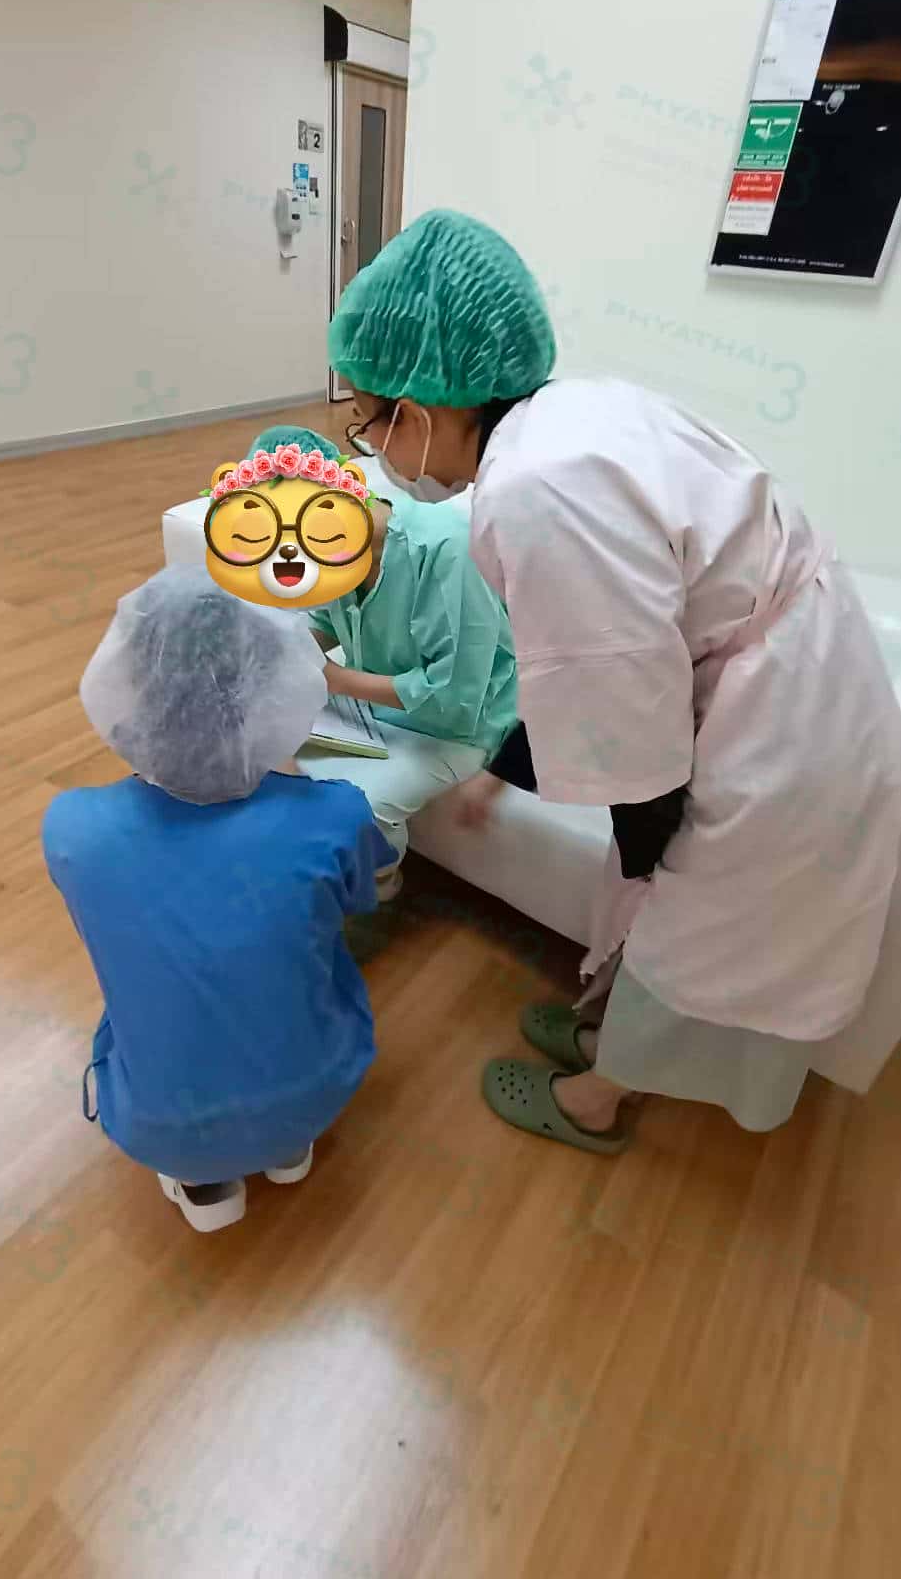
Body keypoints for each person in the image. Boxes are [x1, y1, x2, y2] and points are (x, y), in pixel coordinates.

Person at [327, 207, 901, 1152]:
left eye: (367, 421)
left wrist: (626, 848)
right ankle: (606, 1032)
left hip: (778, 729)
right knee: (666, 902)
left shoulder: (536, 491)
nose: (369, 447)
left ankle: (597, 1098)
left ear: (420, 413)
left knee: (690, 922)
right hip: (785, 667)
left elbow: (626, 741)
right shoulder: (572, 412)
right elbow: (602, 659)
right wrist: (509, 768)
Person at [42, 567, 397, 1231]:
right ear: (275, 691)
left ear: (130, 689)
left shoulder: (73, 828)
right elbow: (358, 902)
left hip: (162, 1124)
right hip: (318, 1092)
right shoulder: (337, 814)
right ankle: (287, 1147)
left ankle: (205, 1184)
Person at [243, 427, 520, 899]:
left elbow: (456, 694)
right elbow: (327, 619)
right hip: (372, 705)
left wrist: (335, 680)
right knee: (255, 743)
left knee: (356, 811)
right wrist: (278, 655)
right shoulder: (332, 550)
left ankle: (381, 877)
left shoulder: (445, 550)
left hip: (458, 725)